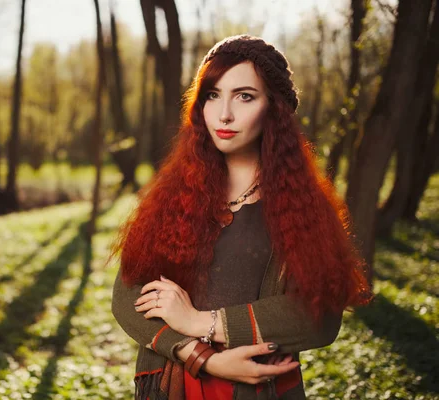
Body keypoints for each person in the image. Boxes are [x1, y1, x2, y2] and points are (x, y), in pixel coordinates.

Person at [110, 34, 371, 400]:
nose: (224, 113)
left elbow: (320, 318)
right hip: (170, 388)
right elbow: (126, 298)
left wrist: (202, 322)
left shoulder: (304, 207)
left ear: (274, 108)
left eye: (244, 96)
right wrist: (201, 355)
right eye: (213, 95)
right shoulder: (171, 194)